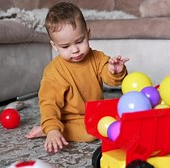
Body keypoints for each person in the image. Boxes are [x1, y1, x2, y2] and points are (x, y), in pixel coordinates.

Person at [25, 2, 129, 153]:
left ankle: (51, 128)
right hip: (71, 119)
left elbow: (111, 80)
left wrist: (115, 70)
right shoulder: (54, 72)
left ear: (88, 34)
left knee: (123, 118)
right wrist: (53, 128)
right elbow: (49, 103)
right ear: (54, 46)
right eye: (65, 47)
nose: (75, 50)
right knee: (91, 134)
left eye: (80, 41)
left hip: (96, 111)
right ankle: (52, 129)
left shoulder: (97, 57)